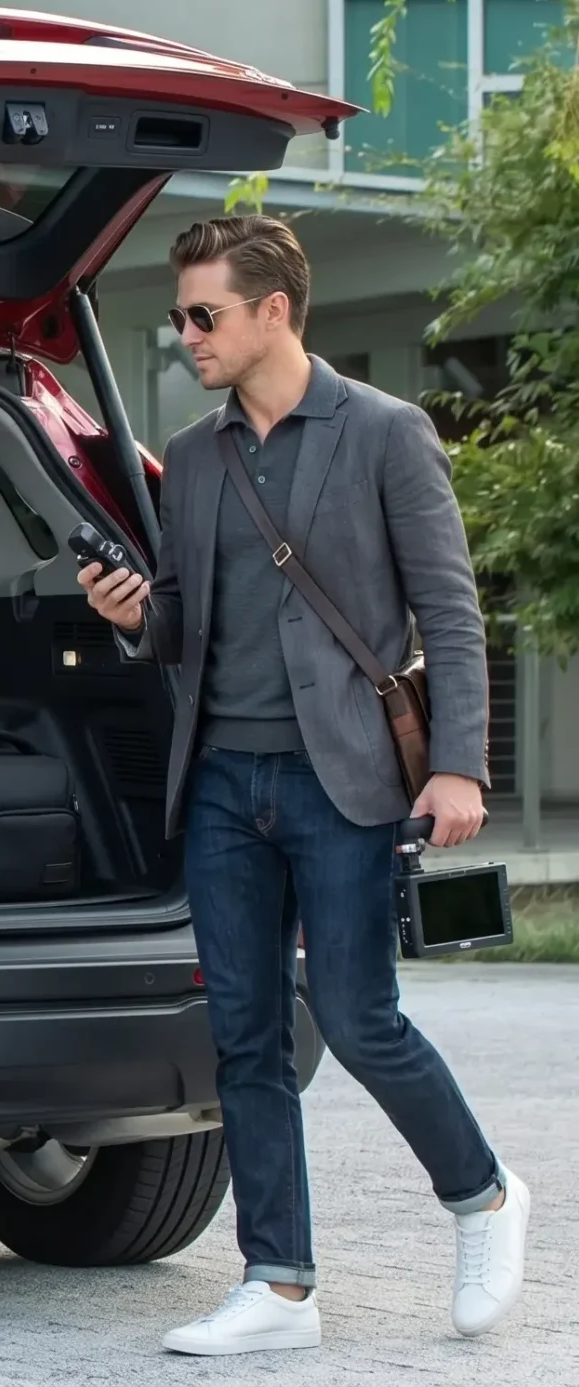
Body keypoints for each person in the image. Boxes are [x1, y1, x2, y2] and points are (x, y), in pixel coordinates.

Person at [77, 215, 529, 1355]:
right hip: (224, 778)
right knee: (243, 1039)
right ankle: (277, 1285)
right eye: (181, 315)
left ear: (272, 309)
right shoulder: (194, 458)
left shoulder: (385, 432)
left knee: (360, 1017)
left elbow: (450, 611)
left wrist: (463, 763)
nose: (186, 334)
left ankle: (482, 1196)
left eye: (203, 315)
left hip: (345, 780)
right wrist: (136, 620)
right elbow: (186, 625)